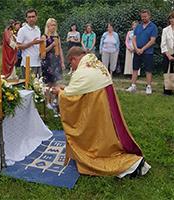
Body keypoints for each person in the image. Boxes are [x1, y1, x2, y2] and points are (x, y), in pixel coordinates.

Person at [51, 47, 150, 177]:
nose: (72, 67)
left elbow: (70, 97)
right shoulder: (95, 62)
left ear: (73, 59)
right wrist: (66, 89)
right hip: (105, 102)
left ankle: (130, 165)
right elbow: (80, 90)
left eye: (71, 64)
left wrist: (59, 92)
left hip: (97, 106)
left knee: (97, 146)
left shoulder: (82, 71)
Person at [126, 9, 158, 94]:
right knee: (135, 69)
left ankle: (148, 87)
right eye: (142, 17)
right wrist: (136, 49)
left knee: (148, 70)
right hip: (137, 51)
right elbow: (134, 38)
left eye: (145, 16)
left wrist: (142, 49)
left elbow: (152, 40)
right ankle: (133, 86)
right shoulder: (138, 26)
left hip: (148, 52)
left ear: (149, 16)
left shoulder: (153, 27)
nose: (143, 18)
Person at [41, 18, 65, 110]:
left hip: (56, 61)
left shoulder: (56, 37)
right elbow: (43, 51)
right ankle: (47, 101)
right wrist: (51, 45)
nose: (53, 27)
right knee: (48, 83)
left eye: (55, 25)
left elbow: (60, 49)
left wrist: (62, 62)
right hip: (47, 62)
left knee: (55, 83)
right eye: (51, 25)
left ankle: (54, 101)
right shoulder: (44, 37)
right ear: (48, 26)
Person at [17, 8, 43, 78]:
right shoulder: (22, 30)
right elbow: (18, 46)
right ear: (26, 19)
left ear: (36, 17)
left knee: (38, 86)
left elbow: (38, 46)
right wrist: (32, 43)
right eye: (29, 17)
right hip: (27, 64)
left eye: (33, 16)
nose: (31, 19)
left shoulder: (38, 29)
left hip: (38, 62)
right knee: (28, 87)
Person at [161, 11, 174, 95]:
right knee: (168, 72)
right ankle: (167, 90)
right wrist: (168, 55)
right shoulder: (165, 30)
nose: (172, 20)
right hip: (168, 54)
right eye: (171, 18)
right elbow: (163, 44)